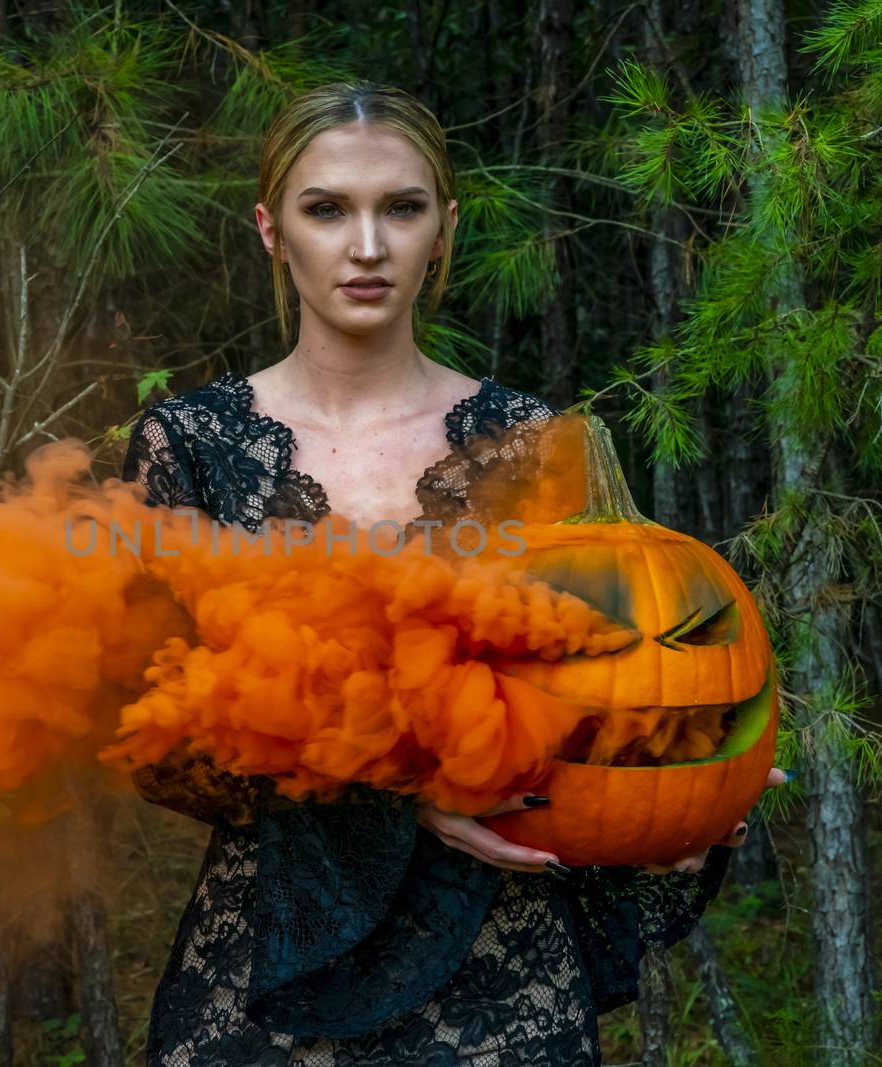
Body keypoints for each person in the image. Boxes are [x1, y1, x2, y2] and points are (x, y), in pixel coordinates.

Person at [120, 80, 780, 1067]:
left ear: (445, 228)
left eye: (402, 207)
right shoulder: (192, 447)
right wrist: (401, 789)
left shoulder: (532, 445)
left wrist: (681, 769)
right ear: (270, 228)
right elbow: (155, 742)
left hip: (502, 982)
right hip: (270, 977)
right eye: (326, 208)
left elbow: (612, 667)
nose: (368, 244)